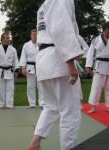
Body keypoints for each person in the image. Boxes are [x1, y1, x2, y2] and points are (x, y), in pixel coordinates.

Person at [27, 0, 84, 150]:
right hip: (59, 59)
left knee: (51, 107)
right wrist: (70, 61)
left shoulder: (44, 4)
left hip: (44, 59)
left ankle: (35, 142)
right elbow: (61, 28)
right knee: (70, 112)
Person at [85, 21, 109, 113]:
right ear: (107, 28)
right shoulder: (96, 40)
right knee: (96, 87)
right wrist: (88, 65)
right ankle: (93, 107)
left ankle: (108, 106)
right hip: (99, 66)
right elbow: (90, 53)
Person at [0, 32, 19, 110]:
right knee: (0, 89)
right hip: (0, 71)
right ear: (2, 39)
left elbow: (15, 61)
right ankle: (1, 104)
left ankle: (9, 105)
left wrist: (16, 71)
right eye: (7, 38)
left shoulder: (13, 49)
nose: (8, 39)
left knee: (10, 89)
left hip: (10, 71)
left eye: (9, 38)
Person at [19, 29, 45, 108]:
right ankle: (32, 103)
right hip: (30, 67)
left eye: (36, 34)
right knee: (30, 87)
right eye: (34, 34)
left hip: (40, 66)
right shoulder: (26, 45)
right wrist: (23, 67)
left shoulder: (41, 44)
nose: (35, 35)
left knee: (41, 86)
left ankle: (42, 103)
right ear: (31, 36)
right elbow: (23, 56)